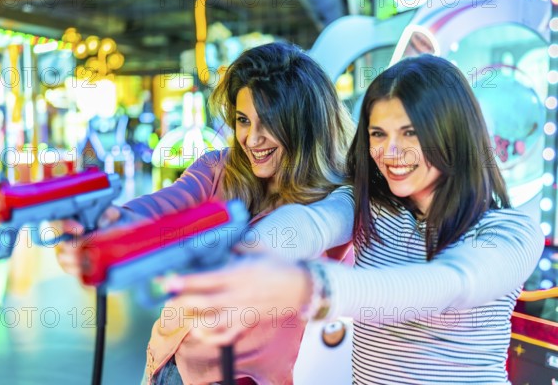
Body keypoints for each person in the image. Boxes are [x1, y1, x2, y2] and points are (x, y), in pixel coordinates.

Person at [164, 54, 545, 384]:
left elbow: (447, 285)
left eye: (410, 133)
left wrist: (307, 287)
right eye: (378, 134)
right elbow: (311, 224)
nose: (390, 151)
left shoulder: (509, 232)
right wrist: (245, 255)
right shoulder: (372, 207)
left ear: (452, 133)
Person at [56, 42, 355, 384]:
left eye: (269, 122)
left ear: (304, 124)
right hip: (171, 367)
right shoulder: (218, 169)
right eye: (243, 120)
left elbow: (310, 239)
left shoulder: (339, 200)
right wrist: (110, 225)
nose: (252, 139)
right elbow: (162, 205)